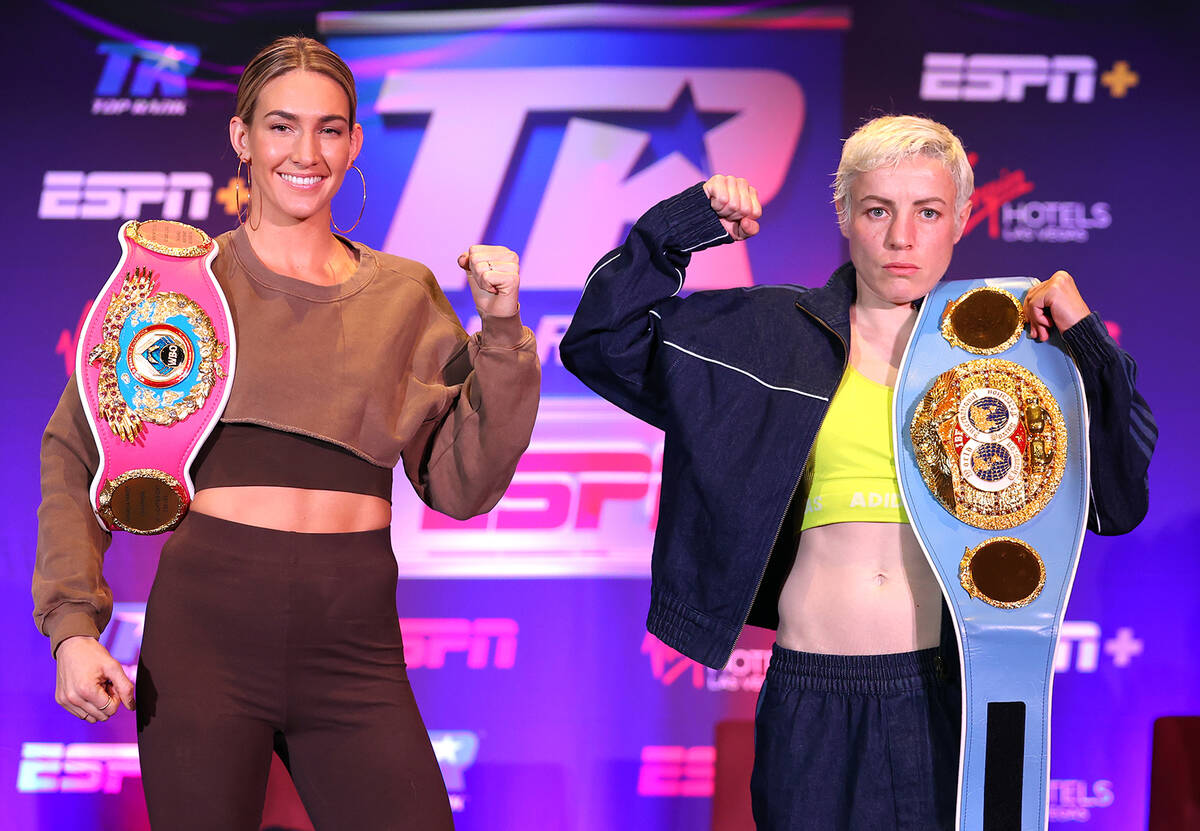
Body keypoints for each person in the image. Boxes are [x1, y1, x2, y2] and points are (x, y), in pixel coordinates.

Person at [560, 115, 1154, 830]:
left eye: (927, 211)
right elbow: (600, 341)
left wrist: (1086, 343)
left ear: (962, 217)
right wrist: (680, 227)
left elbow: (1117, 503)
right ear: (844, 214)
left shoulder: (1016, 355)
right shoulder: (769, 333)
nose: (901, 237)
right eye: (878, 210)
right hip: (811, 688)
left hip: (948, 691)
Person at [34, 36, 540, 830]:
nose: (306, 153)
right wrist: (71, 628)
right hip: (206, 637)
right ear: (242, 138)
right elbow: (74, 448)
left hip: (355, 642)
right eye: (281, 127)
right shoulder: (176, 285)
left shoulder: (405, 294)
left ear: (354, 142)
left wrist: (502, 333)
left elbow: (463, 485)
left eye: (329, 129)